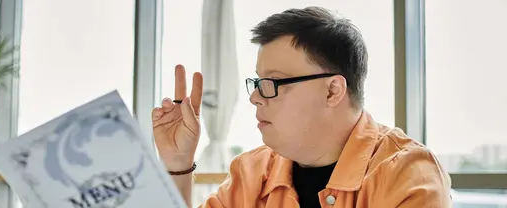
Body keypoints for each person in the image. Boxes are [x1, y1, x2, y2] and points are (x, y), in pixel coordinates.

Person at [152, 6, 452, 208]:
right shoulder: (252, 172)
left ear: (332, 90)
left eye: (272, 83)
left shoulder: (408, 174)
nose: (255, 97)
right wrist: (178, 164)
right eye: (257, 83)